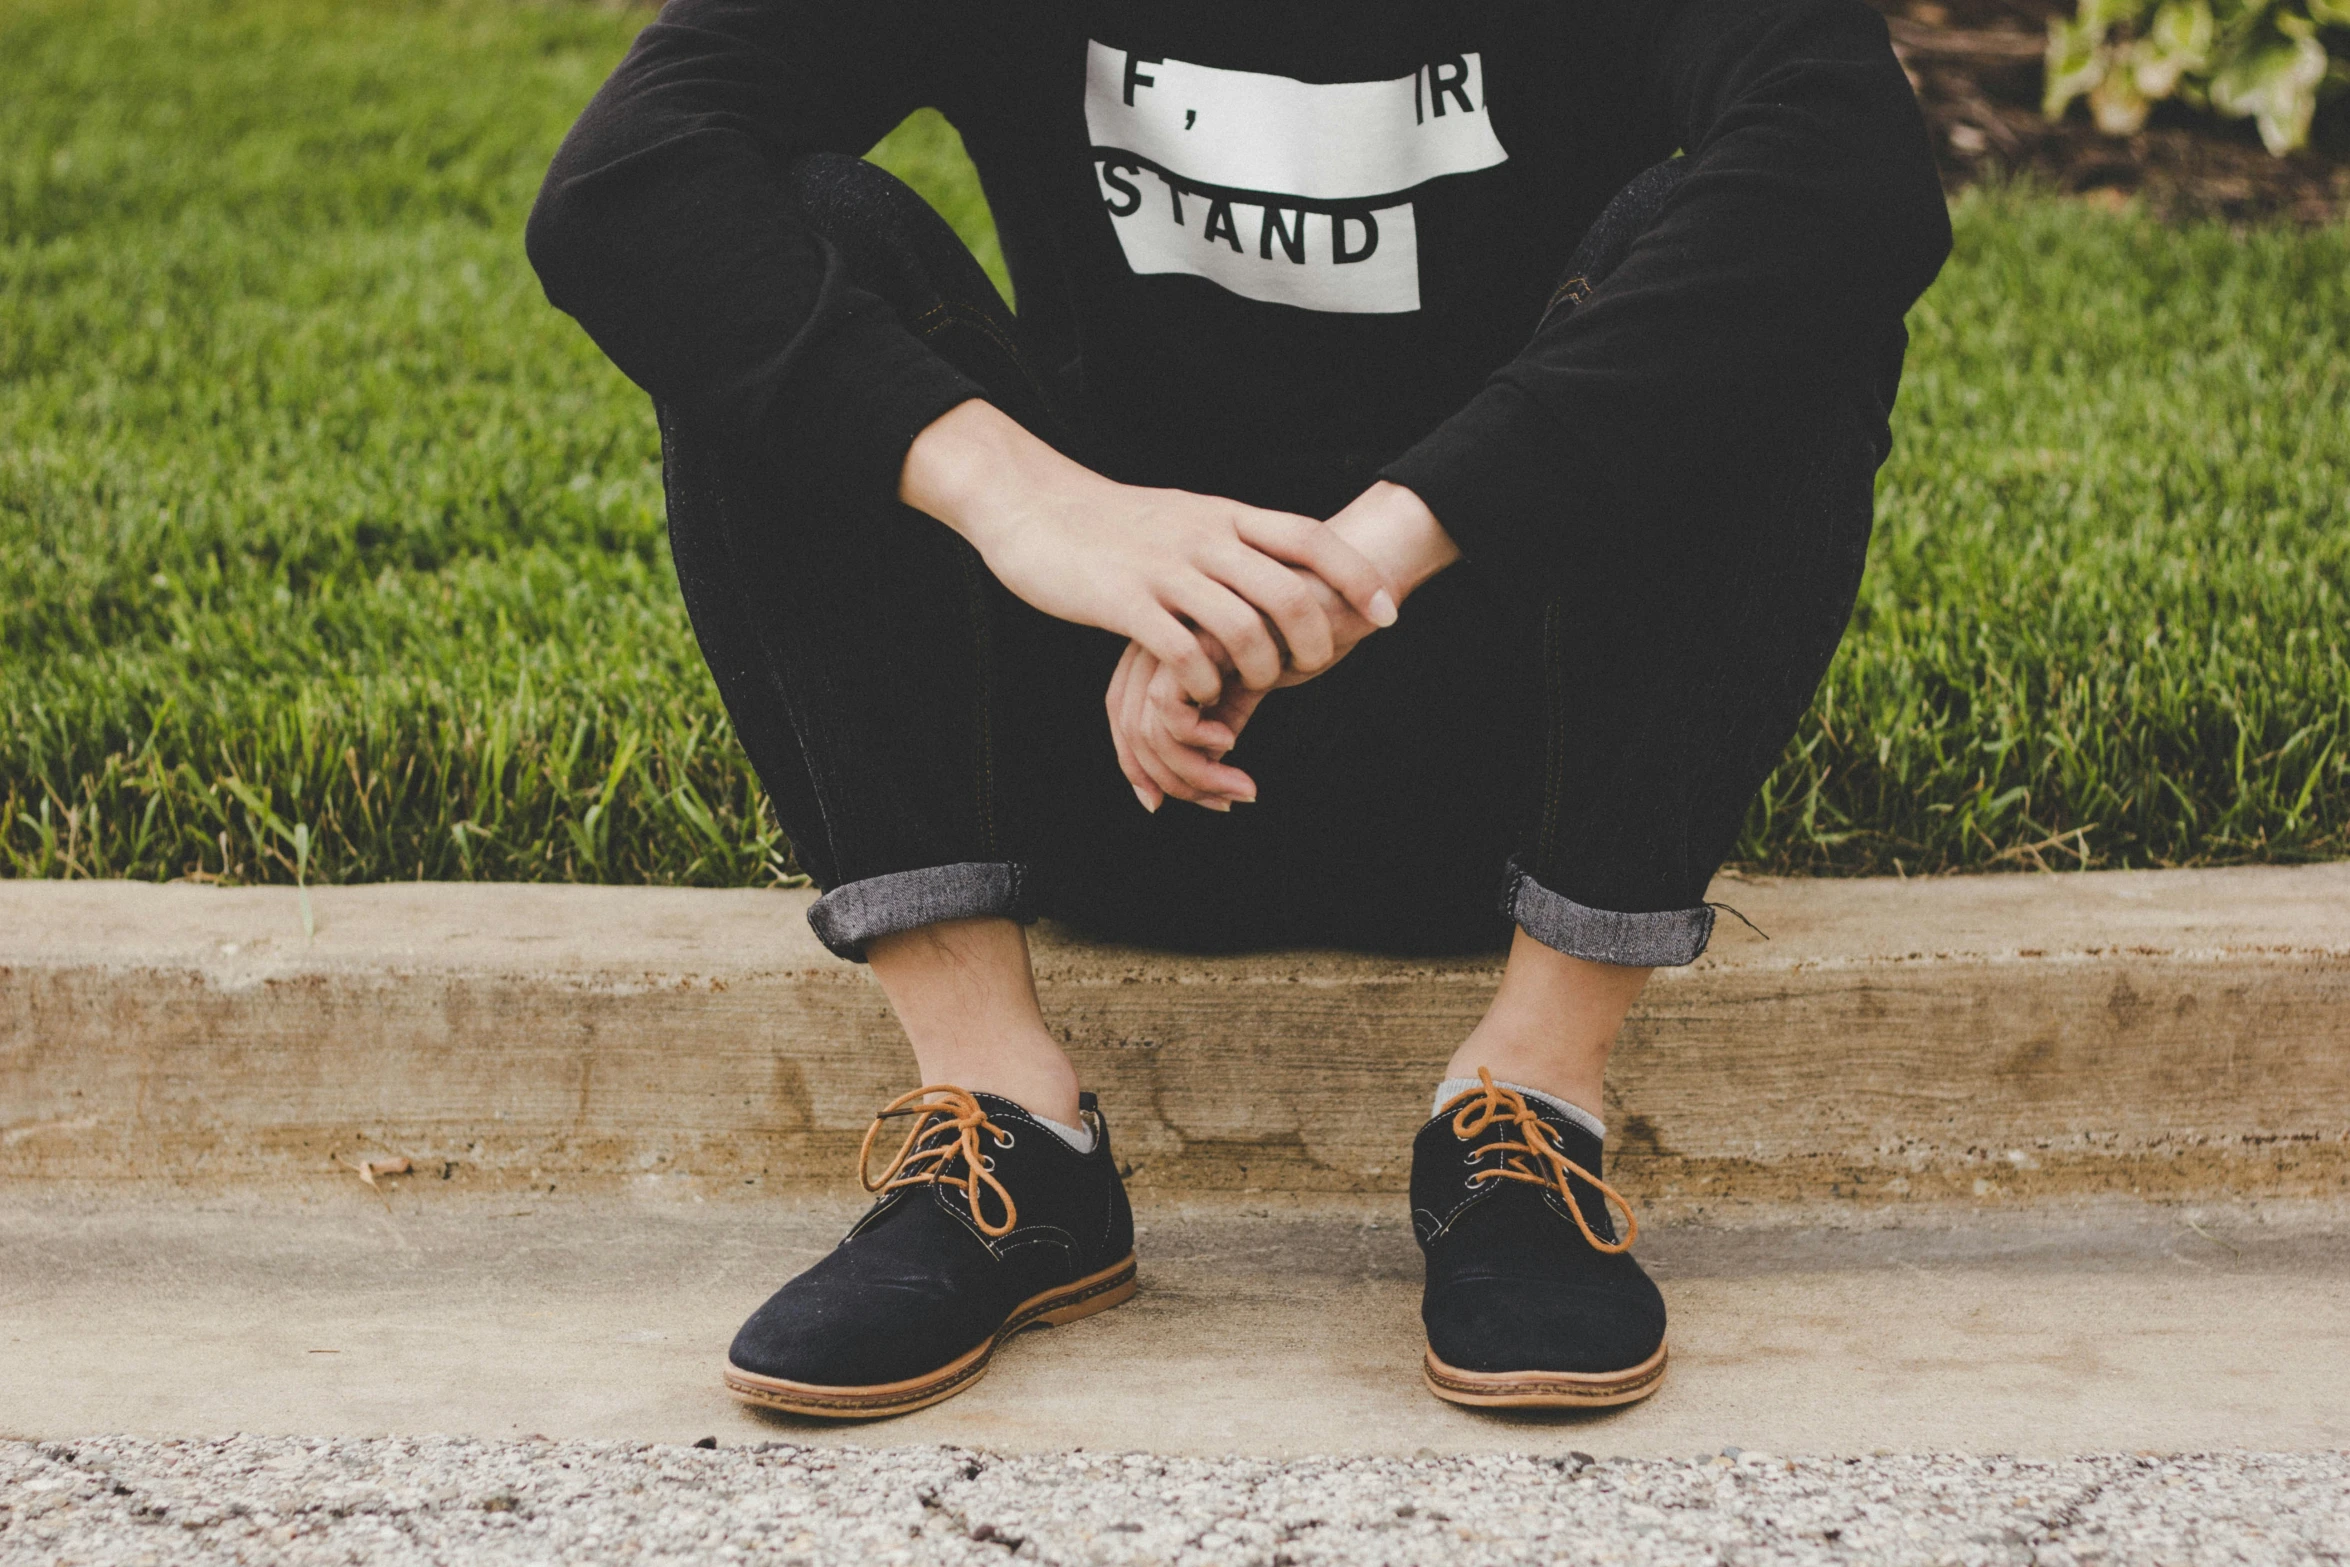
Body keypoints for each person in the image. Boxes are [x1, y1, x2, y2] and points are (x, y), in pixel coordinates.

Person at [528, 0, 1948, 1419]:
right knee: (775, 231)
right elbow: (621, 181)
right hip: (1087, 734)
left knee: (1774, 258)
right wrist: (1037, 511)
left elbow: (1854, 166)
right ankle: (1004, 1124)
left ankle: (1530, 1105)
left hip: (1528, 753)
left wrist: (1370, 555)